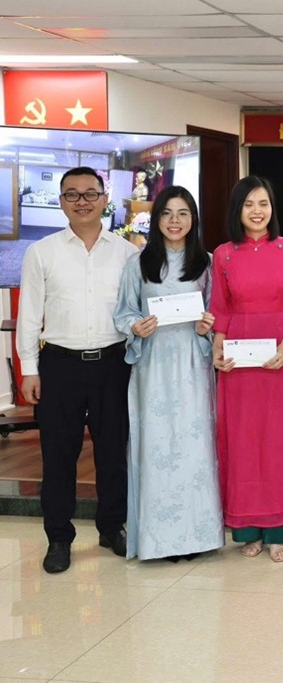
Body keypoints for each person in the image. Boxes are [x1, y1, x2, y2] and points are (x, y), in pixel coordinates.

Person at [16, 166, 138, 574]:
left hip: (113, 363)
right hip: (60, 365)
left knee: (113, 453)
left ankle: (112, 526)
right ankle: (58, 537)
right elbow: (29, 314)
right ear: (61, 201)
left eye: (90, 193)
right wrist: (29, 369)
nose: (82, 201)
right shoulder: (42, 252)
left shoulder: (127, 253)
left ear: (105, 199)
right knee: (58, 455)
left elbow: (137, 311)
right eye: (72, 194)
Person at [113, 185, 223, 562]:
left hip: (192, 362)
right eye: (167, 213)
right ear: (156, 218)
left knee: (195, 444)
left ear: (194, 219)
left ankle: (198, 537)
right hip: (153, 363)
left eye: (183, 213)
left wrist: (208, 325)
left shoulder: (207, 264)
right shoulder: (138, 263)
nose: (175, 221)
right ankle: (158, 541)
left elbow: (217, 311)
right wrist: (136, 326)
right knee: (156, 445)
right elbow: (124, 312)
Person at [211, 175, 283, 563]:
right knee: (244, 443)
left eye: (263, 203)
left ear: (273, 207)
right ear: (237, 210)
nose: (257, 211)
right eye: (249, 204)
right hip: (239, 363)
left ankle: (281, 530)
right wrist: (217, 347)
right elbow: (220, 309)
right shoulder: (223, 255)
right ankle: (248, 529)